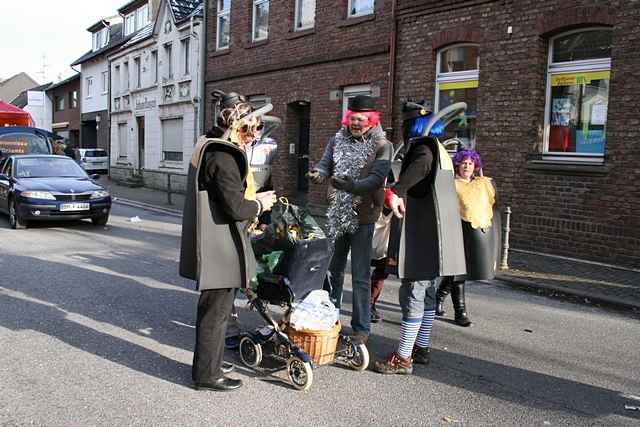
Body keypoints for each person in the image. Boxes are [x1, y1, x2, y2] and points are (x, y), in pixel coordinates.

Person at [179, 99, 277, 392]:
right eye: (252, 129)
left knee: (214, 310)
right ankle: (207, 376)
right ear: (238, 125)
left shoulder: (208, 143)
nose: (254, 135)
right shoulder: (224, 154)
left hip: (212, 242)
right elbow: (235, 207)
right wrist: (259, 204)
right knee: (216, 313)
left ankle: (208, 367)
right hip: (220, 245)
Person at [374, 101, 466, 375]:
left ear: (409, 125)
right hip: (438, 237)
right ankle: (421, 347)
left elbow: (421, 167)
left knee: (414, 292)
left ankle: (402, 357)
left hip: (423, 235)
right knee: (426, 293)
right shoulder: (439, 148)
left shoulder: (423, 150)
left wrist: (396, 189)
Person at [307, 95, 392, 344]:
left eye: (361, 119)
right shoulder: (337, 138)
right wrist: (318, 174)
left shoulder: (382, 145)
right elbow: (325, 165)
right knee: (333, 270)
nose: (355, 123)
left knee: (360, 274)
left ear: (371, 120)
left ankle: (361, 329)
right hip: (337, 210)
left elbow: (377, 178)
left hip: (363, 215)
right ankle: (330, 320)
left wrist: (353, 186)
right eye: (352, 118)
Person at [436, 149, 499, 326]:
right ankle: (460, 312)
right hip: (456, 230)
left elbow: (492, 204)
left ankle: (438, 297)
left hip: (476, 231)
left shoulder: (482, 183)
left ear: (475, 166)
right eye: (463, 162)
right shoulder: (451, 184)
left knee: (458, 271)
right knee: (458, 272)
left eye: (470, 163)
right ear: (457, 165)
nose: (467, 166)